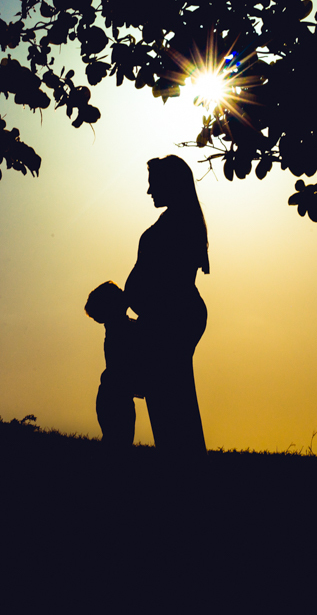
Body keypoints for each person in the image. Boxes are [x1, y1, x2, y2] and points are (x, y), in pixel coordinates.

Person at [124, 155, 209, 456]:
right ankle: (181, 463)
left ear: (170, 184)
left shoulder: (178, 224)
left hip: (170, 320)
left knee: (170, 400)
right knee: (171, 397)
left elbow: (167, 280)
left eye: (153, 184)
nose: (149, 191)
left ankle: (181, 466)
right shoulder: (179, 221)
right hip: (171, 317)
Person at [84, 281, 146, 447]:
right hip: (116, 398)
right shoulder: (120, 330)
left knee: (117, 443)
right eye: (118, 293)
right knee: (119, 444)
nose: (123, 293)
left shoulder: (120, 327)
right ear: (112, 305)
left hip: (114, 395)